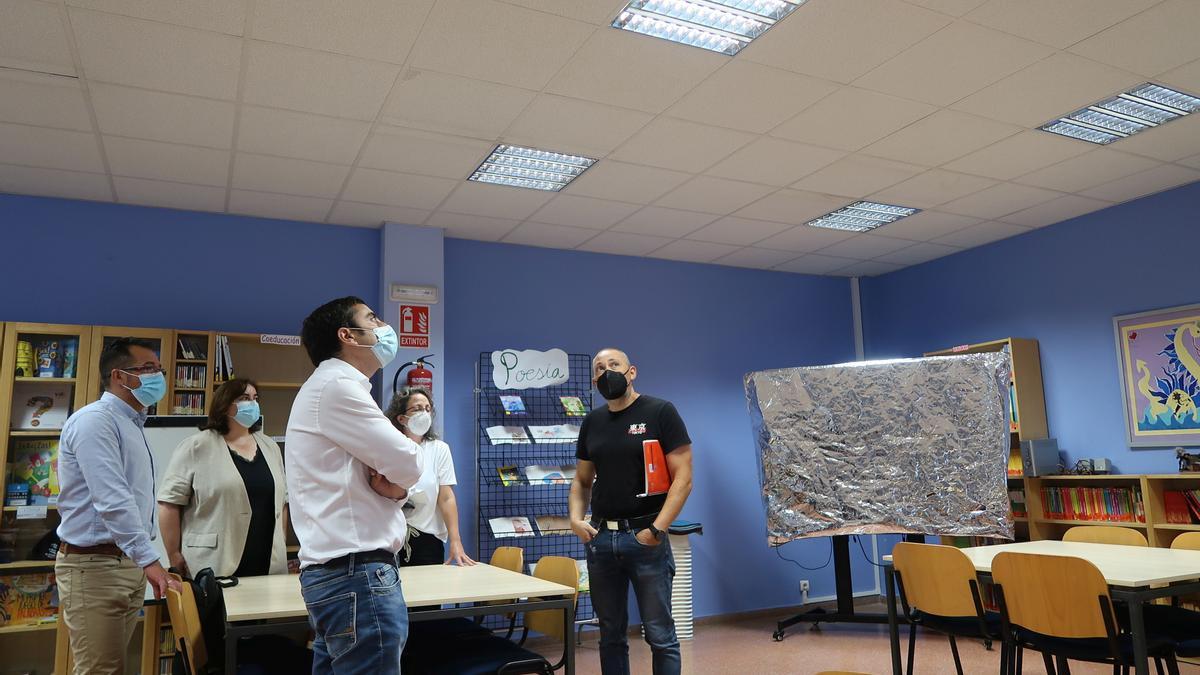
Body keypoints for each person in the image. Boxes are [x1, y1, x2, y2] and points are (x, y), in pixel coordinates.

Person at [287, 296, 424, 674]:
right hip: (357, 574)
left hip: (341, 574)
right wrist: (403, 474)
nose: (384, 326)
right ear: (348, 335)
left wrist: (397, 488)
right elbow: (409, 462)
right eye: (373, 318)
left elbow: (393, 477)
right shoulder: (337, 387)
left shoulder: (332, 387)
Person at [55, 338, 181, 675]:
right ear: (119, 376)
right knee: (101, 669)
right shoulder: (95, 421)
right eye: (148, 369)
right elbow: (112, 499)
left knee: (113, 667)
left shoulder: (132, 423)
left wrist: (142, 561)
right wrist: (150, 559)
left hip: (124, 563)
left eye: (160, 369)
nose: (158, 377)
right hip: (93, 566)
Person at [569, 348, 694, 675]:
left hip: (645, 539)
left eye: (614, 365)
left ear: (632, 371)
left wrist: (657, 530)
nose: (606, 371)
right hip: (601, 540)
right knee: (609, 635)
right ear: (594, 378)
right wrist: (575, 518)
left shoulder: (660, 412)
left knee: (660, 635)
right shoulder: (592, 422)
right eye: (599, 368)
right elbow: (581, 480)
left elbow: (684, 478)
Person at [158, 378, 289, 578]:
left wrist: (281, 541)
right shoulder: (196, 447)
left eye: (255, 398)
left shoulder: (270, 447)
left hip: (267, 563)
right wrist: (173, 554)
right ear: (225, 405)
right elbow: (169, 503)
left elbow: (283, 503)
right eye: (245, 398)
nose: (252, 404)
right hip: (214, 562)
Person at [383, 387, 475, 567]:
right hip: (390, 536)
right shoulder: (390, 448)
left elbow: (446, 497)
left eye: (427, 408)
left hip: (427, 539)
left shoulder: (439, 449)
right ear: (401, 418)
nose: (424, 413)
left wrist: (455, 541)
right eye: (417, 408)